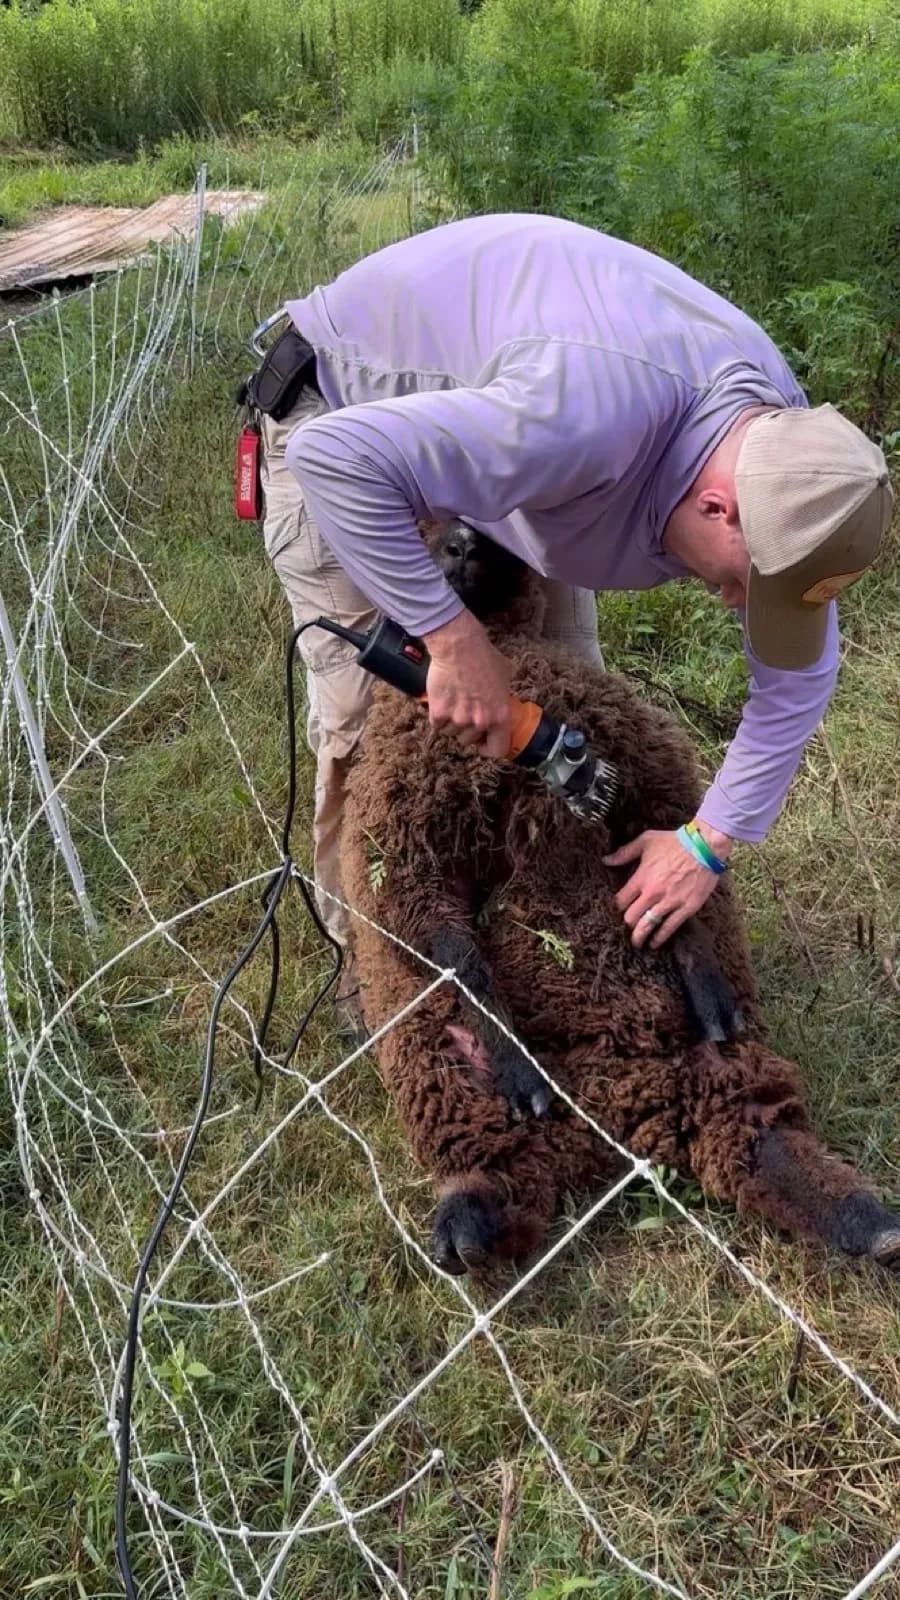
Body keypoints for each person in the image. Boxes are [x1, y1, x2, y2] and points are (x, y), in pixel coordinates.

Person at [257, 213, 892, 1036]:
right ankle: (392, 984)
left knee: (571, 717)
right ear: (717, 508)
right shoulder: (578, 418)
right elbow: (339, 462)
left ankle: (559, 940)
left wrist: (706, 842)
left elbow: (798, 678)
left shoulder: (798, 467)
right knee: (374, 735)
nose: (739, 606)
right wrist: (450, 640)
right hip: (345, 420)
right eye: (743, 585)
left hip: (512, 450)